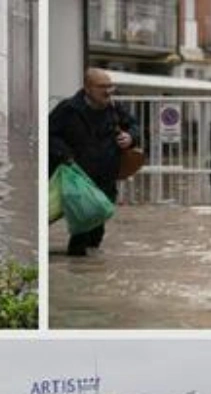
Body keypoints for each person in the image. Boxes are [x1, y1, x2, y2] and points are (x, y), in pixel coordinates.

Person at [49, 68, 141, 256]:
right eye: (102, 87)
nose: (108, 91)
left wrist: (130, 136)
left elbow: (134, 125)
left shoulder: (114, 108)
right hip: (78, 177)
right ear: (88, 88)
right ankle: (78, 259)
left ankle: (89, 261)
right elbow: (49, 134)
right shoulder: (68, 109)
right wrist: (65, 155)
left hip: (107, 176)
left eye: (110, 86)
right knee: (84, 218)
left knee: (99, 220)